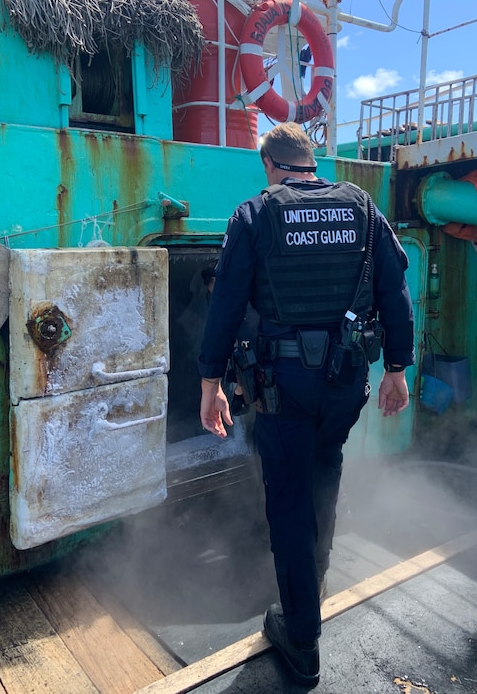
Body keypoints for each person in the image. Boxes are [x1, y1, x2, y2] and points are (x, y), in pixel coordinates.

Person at [198, 122, 414, 687]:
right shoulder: (363, 208)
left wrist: (209, 382)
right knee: (325, 477)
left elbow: (225, 305)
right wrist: (396, 368)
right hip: (346, 381)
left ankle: (301, 638)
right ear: (313, 164)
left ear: (271, 164)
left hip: (282, 385)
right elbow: (395, 289)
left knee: (289, 499)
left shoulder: (255, 214)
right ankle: (312, 587)